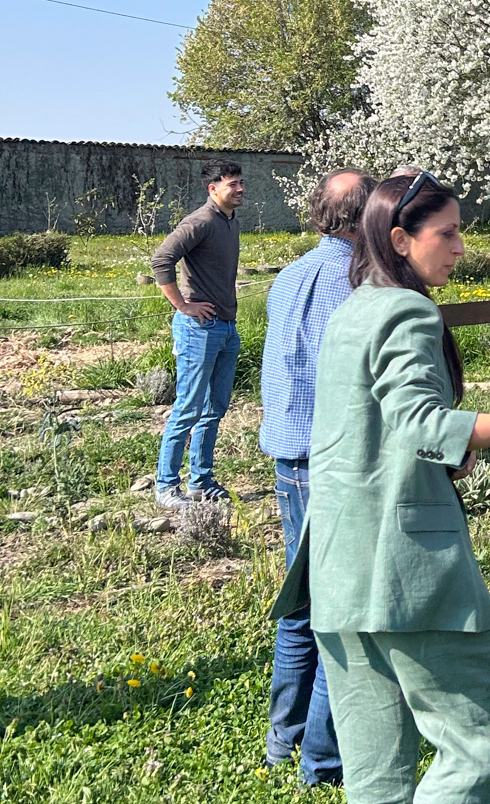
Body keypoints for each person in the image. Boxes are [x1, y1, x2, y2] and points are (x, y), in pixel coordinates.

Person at [269, 171, 490, 804]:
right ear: (401, 240)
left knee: (374, 775)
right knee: (487, 741)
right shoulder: (407, 309)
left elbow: (368, 431)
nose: (458, 246)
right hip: (404, 573)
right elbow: (422, 424)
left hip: (336, 568)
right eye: (446, 233)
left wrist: (439, 460)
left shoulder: (353, 308)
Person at [258, 168, 375, 785]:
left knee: (302, 602)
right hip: (332, 458)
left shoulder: (289, 275)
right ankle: (325, 760)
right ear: (368, 216)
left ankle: (285, 738)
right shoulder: (357, 281)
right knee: (340, 611)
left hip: (289, 455)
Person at [150, 159, 245, 509]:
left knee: (214, 407)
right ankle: (166, 486)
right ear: (213, 189)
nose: (240, 189)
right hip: (199, 329)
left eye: (241, 183)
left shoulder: (230, 221)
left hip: (226, 328)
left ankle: (200, 482)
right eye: (233, 184)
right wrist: (183, 305)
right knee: (188, 407)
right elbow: (161, 259)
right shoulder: (200, 221)